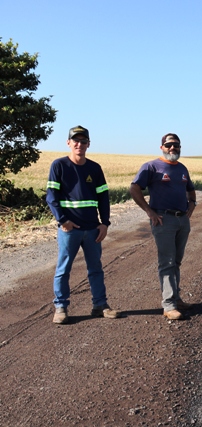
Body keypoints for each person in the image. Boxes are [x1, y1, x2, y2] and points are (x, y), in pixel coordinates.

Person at [46, 125, 120, 324]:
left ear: (88, 144)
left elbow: (104, 197)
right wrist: (63, 221)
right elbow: (51, 197)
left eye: (83, 141)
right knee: (64, 269)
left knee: (95, 268)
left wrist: (104, 223)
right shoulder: (59, 165)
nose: (80, 144)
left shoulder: (94, 168)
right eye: (75, 141)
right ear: (68, 143)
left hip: (92, 229)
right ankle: (61, 307)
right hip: (70, 230)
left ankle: (100, 305)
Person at [130, 133, 197, 320]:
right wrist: (149, 211)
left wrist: (192, 204)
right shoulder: (151, 166)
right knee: (167, 262)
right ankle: (169, 305)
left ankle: (176, 297)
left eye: (176, 145)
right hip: (163, 220)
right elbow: (134, 188)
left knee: (176, 261)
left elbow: (190, 189)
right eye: (169, 145)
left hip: (182, 220)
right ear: (162, 147)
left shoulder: (182, 168)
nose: (172, 148)